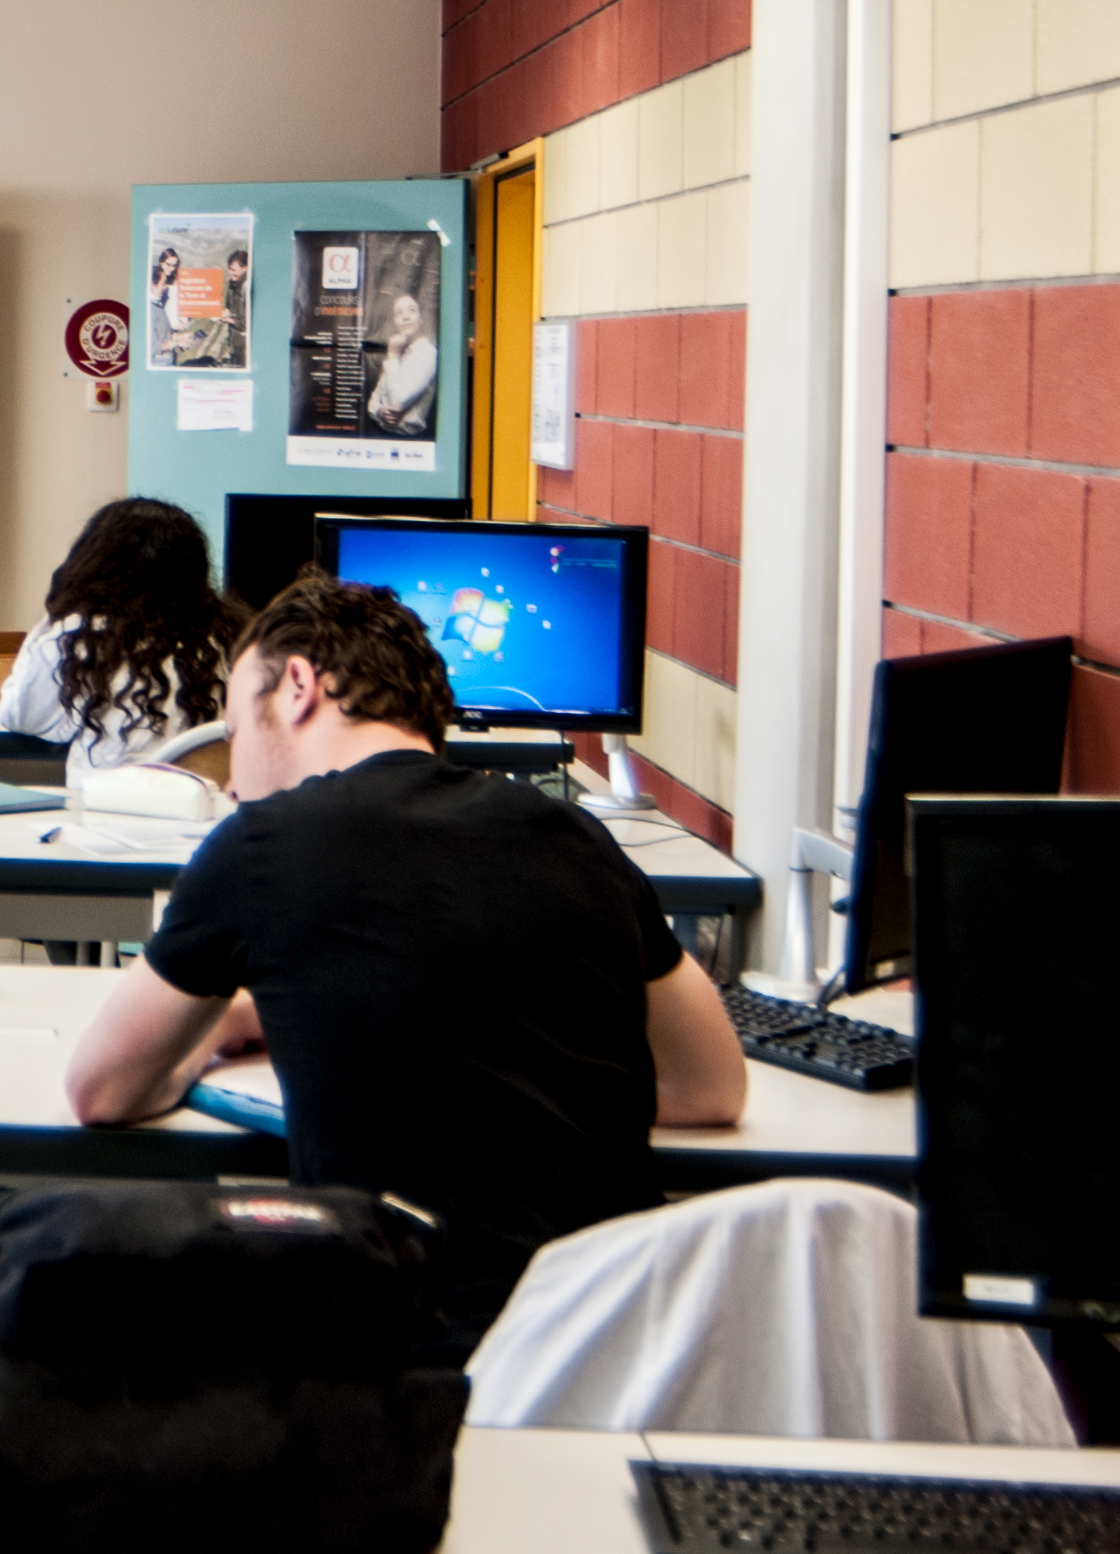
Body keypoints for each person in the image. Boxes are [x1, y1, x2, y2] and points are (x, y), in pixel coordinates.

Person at [63, 577, 749, 1349]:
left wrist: (207, 1038)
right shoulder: (576, 836)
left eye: (234, 728)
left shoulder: (264, 844)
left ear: (297, 685)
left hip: (411, 1347)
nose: (230, 774)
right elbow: (712, 1087)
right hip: (620, 1345)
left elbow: (102, 1089)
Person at [0, 495, 235, 773]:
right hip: (203, 809)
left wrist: (55, 616)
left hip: (104, 808)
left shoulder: (80, 637)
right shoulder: (226, 638)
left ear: (95, 564)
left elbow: (20, 717)